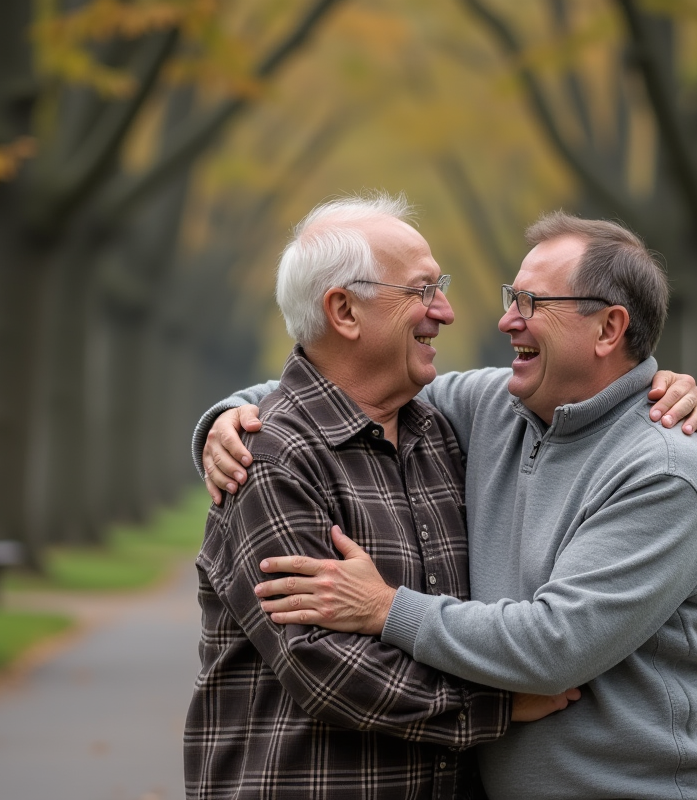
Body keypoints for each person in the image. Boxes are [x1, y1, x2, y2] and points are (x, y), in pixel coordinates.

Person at [200, 212, 697, 799]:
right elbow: (341, 383)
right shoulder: (494, 408)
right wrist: (228, 418)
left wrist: (386, 608)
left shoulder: (665, 469)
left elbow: (557, 645)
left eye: (532, 302)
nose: (506, 319)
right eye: (513, 297)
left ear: (608, 329)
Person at [185, 194, 599, 800]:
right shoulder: (270, 457)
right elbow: (322, 664)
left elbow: (585, 385)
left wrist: (652, 391)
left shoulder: (445, 435)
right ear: (344, 311)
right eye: (423, 290)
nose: (446, 312)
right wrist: (498, 705)